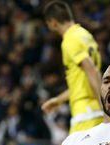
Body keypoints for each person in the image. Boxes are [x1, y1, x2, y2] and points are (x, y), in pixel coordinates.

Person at [41, 0, 103, 133]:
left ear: (53, 22)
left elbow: (91, 70)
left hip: (85, 112)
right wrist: (58, 100)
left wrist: (104, 104)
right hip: (93, 109)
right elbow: (85, 77)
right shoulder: (86, 35)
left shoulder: (70, 39)